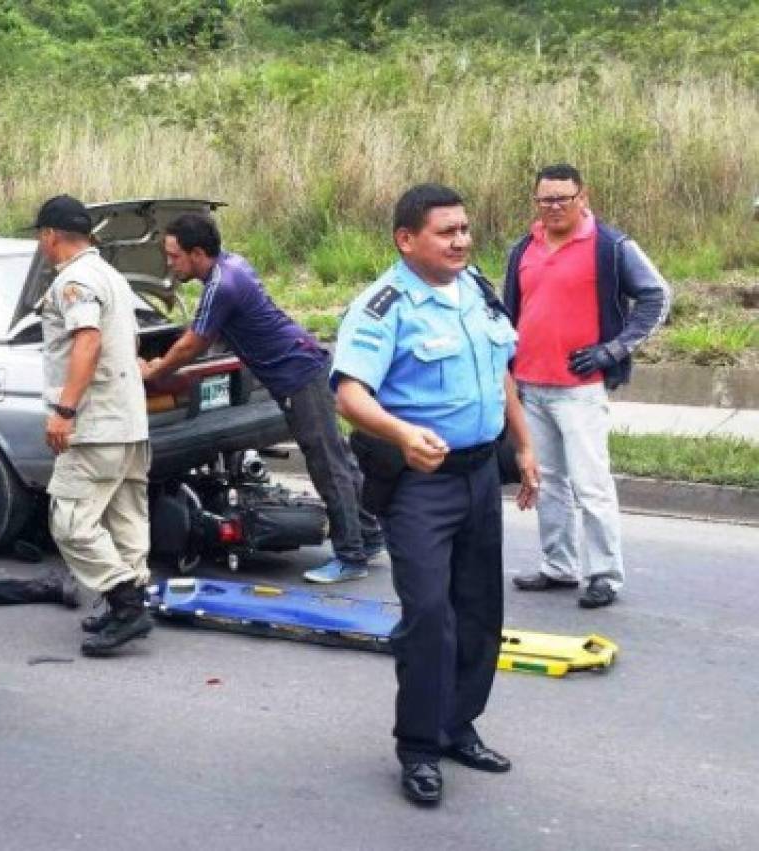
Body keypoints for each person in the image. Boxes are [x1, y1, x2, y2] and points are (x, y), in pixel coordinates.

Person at [332, 184, 539, 806]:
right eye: (447, 232)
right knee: (429, 617)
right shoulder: (383, 305)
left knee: (479, 614)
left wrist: (524, 447)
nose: (461, 240)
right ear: (406, 239)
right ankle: (419, 748)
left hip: (480, 475)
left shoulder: (474, 287)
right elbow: (349, 392)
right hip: (421, 483)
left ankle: (457, 727)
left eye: (465, 229)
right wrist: (398, 432)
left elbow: (501, 367)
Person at [139, 212, 385, 584]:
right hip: (307, 366)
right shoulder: (233, 264)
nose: (170, 265)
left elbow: (192, 344)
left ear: (198, 253)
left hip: (299, 376)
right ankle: (368, 536)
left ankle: (350, 556)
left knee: (327, 466)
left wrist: (154, 370)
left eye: (174, 257)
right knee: (339, 460)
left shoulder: (221, 285)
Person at [504, 164, 670, 609]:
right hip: (531, 386)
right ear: (535, 202)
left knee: (591, 485)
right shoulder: (524, 248)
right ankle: (559, 566)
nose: (554, 206)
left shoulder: (611, 246)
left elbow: (657, 296)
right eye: (546, 199)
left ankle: (604, 575)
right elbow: (510, 314)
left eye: (563, 197)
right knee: (548, 482)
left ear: (582, 195)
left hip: (580, 388)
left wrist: (613, 350)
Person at [32, 194, 153, 657]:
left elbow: (87, 342)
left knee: (71, 520)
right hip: (129, 422)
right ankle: (132, 596)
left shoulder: (74, 281)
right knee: (125, 517)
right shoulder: (112, 276)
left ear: (49, 236)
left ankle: (125, 605)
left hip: (96, 424)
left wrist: (64, 411)